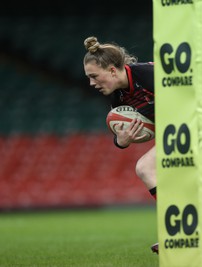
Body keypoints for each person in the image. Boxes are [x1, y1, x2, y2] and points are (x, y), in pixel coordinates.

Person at [83, 36, 159, 254]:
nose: (91, 83)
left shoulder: (148, 74)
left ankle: (178, 234)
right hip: (175, 133)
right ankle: (178, 233)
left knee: (147, 168)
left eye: (94, 76)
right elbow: (121, 136)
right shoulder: (118, 96)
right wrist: (121, 141)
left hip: (196, 124)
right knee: (146, 168)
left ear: (113, 71)